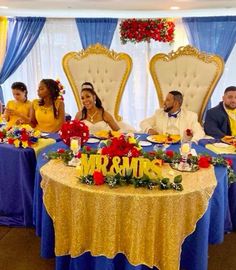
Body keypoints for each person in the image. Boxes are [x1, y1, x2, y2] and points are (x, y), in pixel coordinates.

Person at [140, 90, 205, 141]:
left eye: (167, 100)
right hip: (161, 145)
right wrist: (149, 130)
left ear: (176, 103)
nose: (164, 102)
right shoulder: (159, 113)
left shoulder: (190, 116)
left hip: (180, 146)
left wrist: (191, 143)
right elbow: (143, 123)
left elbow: (199, 132)